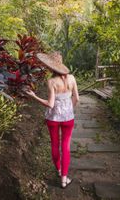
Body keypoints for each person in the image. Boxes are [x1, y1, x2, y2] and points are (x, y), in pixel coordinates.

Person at [25, 51, 79, 188]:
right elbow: (76, 99)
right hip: (68, 118)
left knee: (55, 144)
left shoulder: (51, 82)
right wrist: (69, 110)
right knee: (65, 146)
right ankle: (64, 179)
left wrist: (34, 96)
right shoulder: (72, 78)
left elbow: (50, 104)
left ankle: (60, 170)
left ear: (50, 67)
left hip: (53, 118)